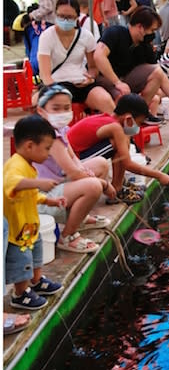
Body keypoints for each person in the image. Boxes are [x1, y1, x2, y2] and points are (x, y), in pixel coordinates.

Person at [33, 85, 111, 253]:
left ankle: (79, 218)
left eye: (66, 108)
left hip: (60, 182)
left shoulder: (59, 129)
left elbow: (73, 158)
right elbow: (72, 172)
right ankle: (68, 235)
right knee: (93, 186)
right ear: (41, 111)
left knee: (101, 164)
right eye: (56, 108)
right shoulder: (49, 137)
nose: (62, 112)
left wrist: (84, 169)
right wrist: (103, 184)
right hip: (43, 197)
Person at [4, 115, 66, 311]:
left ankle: (37, 280)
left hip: (30, 225)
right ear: (30, 145)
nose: (49, 154)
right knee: (21, 261)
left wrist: (50, 200)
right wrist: (40, 183)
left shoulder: (28, 166)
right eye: (47, 148)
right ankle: (20, 293)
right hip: (17, 230)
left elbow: (31, 195)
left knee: (36, 254)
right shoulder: (15, 165)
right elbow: (11, 184)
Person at [66, 94, 169, 203]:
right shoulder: (115, 128)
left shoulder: (110, 121)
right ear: (128, 119)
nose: (138, 127)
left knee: (122, 142)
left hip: (78, 157)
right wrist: (159, 175)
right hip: (74, 163)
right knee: (118, 144)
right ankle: (117, 189)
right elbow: (128, 164)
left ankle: (118, 184)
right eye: (138, 123)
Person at [92, 7, 169, 123]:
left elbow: (160, 74)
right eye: (152, 30)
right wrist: (117, 82)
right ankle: (121, 125)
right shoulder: (115, 33)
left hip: (126, 78)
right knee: (122, 94)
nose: (153, 34)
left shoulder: (144, 46)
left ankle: (140, 113)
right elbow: (98, 56)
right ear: (140, 27)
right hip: (106, 78)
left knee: (156, 72)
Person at [37, 0, 115, 115]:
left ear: (77, 17)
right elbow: (45, 75)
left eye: (70, 17)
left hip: (82, 83)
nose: (65, 20)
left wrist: (90, 78)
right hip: (57, 83)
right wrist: (56, 91)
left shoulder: (86, 36)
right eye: (61, 16)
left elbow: (93, 67)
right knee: (58, 107)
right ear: (55, 15)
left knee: (106, 101)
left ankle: (118, 131)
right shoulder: (47, 36)